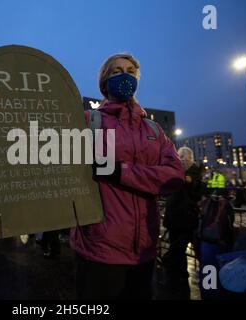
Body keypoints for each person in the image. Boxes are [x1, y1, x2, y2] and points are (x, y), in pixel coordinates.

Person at [70, 53, 184, 300]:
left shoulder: (153, 129)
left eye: (131, 71)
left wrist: (118, 171)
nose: (124, 75)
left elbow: (174, 176)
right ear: (104, 82)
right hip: (99, 250)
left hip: (144, 251)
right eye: (116, 71)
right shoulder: (88, 121)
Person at [162, 147, 204, 299]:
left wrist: (188, 179)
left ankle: (207, 278)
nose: (181, 159)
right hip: (175, 217)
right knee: (178, 249)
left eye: (183, 157)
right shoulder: (177, 169)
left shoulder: (194, 171)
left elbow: (196, 190)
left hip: (186, 217)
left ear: (189, 157)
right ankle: (180, 274)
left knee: (182, 247)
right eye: (179, 157)